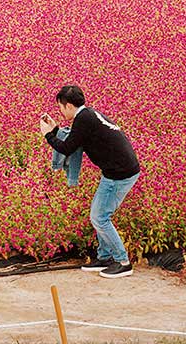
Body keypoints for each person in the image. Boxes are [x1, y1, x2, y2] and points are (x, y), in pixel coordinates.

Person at [41, 85, 140, 279]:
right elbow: (75, 138)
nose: (61, 112)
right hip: (116, 171)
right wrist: (55, 129)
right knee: (100, 213)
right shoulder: (87, 115)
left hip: (120, 174)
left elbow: (67, 147)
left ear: (68, 105)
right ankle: (104, 257)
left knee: (99, 217)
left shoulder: (83, 120)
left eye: (60, 107)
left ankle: (123, 262)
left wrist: (48, 135)